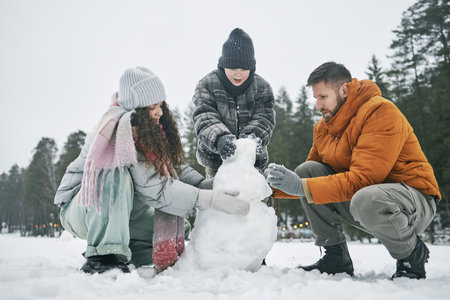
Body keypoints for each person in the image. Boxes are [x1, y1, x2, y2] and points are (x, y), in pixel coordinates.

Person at [54, 66, 250, 274]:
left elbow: (170, 169)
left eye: (161, 105)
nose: (160, 112)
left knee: (179, 229)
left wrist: (203, 184)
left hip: (124, 213)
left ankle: (122, 252)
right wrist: (208, 199)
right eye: (152, 108)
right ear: (136, 110)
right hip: (83, 207)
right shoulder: (117, 132)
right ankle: (104, 256)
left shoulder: (150, 131)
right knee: (115, 174)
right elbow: (155, 189)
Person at [266, 62, 440, 279]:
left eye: (323, 97)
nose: (318, 105)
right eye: (315, 98)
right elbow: (305, 181)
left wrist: (300, 186)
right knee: (308, 170)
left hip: (413, 200)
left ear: (344, 90)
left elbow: (364, 179)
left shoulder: (380, 112)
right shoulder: (323, 127)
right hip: (368, 199)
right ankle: (336, 257)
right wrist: (268, 188)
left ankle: (411, 255)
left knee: (365, 197)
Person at [192, 28, 275, 178]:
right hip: (217, 160)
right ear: (223, 65)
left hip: (251, 161)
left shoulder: (262, 87)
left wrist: (250, 140)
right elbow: (204, 116)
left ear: (252, 67)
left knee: (253, 196)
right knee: (219, 197)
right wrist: (220, 138)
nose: (238, 73)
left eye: (244, 68)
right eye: (233, 68)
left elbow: (264, 118)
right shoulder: (207, 84)